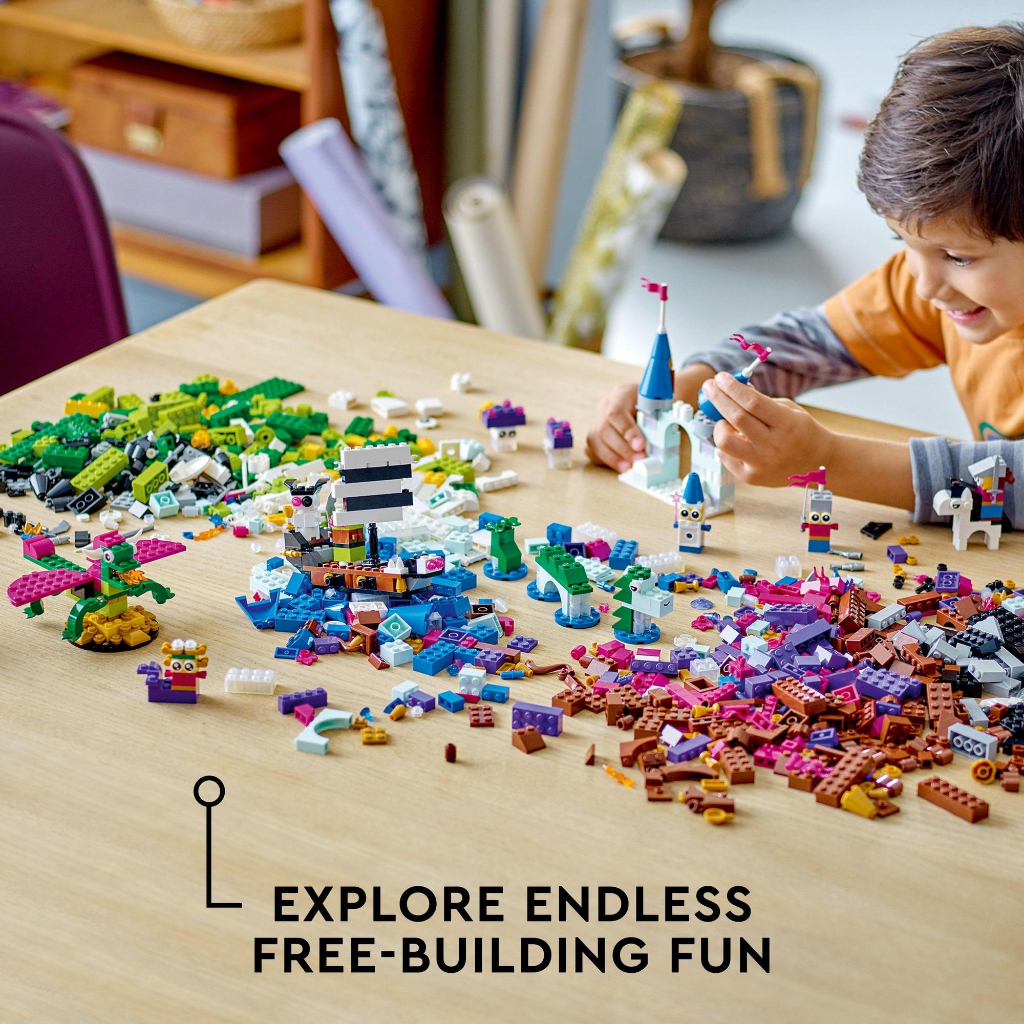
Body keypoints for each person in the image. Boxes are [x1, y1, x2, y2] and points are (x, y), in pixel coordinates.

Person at [586, 24, 1024, 527]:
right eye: (902, 242)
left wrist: (830, 461)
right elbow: (811, 341)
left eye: (958, 257)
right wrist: (695, 387)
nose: (924, 287)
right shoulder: (938, 287)